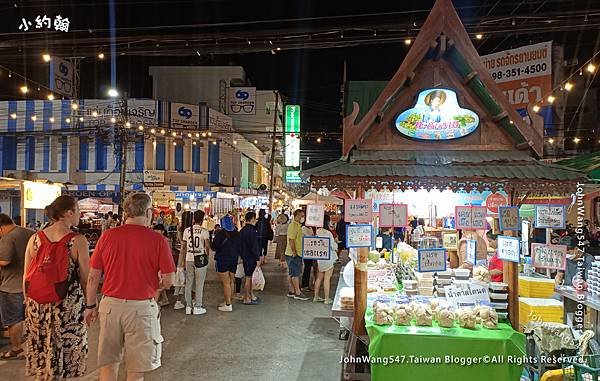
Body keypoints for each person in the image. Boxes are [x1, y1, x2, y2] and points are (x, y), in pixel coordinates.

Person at [85, 193, 175, 381]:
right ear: (148, 212)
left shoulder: (107, 236)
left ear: (126, 212)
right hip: (141, 309)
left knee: (108, 366)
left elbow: (93, 277)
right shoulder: (157, 240)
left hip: (110, 307)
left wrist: (90, 306)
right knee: (136, 371)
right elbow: (168, 281)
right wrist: (155, 286)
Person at [23, 196, 90, 379]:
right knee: (67, 351)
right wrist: (91, 304)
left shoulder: (35, 238)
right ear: (69, 213)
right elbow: (86, 279)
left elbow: (26, 276)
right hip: (67, 306)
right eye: (77, 210)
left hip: (38, 305)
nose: (79, 214)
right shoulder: (78, 240)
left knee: (43, 348)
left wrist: (28, 303)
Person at [0, 214, 34, 359]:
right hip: (30, 285)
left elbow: (5, 261)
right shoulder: (30, 233)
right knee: (27, 318)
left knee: (13, 320)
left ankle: (16, 349)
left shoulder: (8, 237)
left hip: (11, 285)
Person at [180, 210, 210, 315]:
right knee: (199, 283)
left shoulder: (187, 231)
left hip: (189, 257)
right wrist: (207, 255)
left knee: (188, 283)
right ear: (202, 220)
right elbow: (207, 246)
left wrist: (183, 260)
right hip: (200, 258)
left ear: (193, 219)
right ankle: (198, 306)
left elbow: (183, 247)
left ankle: (188, 306)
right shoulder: (204, 231)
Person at [211, 216, 241, 312]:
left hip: (222, 260)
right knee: (231, 281)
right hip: (234, 260)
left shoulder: (220, 234)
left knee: (226, 283)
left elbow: (214, 247)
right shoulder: (236, 233)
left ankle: (228, 304)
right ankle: (229, 301)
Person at [313, 215, 338, 304]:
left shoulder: (317, 231)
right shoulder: (328, 233)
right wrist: (336, 243)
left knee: (319, 278)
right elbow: (333, 246)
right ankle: (326, 299)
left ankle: (315, 297)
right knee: (327, 278)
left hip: (320, 257)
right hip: (329, 258)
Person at [285, 210, 310, 300]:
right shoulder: (293, 226)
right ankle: (298, 293)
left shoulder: (298, 226)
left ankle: (291, 291)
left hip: (296, 253)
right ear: (296, 216)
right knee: (295, 273)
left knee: (292, 273)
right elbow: (291, 240)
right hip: (293, 254)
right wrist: (294, 252)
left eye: (303, 216)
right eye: (301, 216)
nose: (302, 218)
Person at [239, 211, 261, 305]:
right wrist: (258, 258)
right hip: (251, 258)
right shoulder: (252, 231)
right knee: (248, 278)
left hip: (244, 257)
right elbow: (254, 246)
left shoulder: (242, 230)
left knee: (249, 277)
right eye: (255, 219)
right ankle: (247, 298)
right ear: (252, 219)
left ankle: (250, 295)